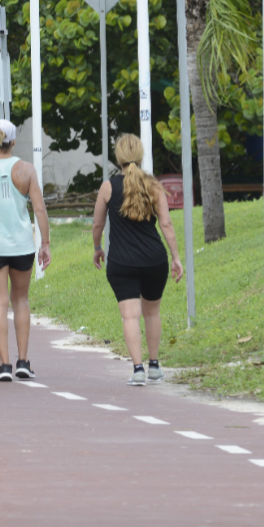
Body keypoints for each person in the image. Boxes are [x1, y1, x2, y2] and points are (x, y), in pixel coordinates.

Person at [91, 134, 183, 385]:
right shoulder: (154, 185)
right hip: (154, 260)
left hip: (122, 263)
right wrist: (176, 257)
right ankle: (155, 366)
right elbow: (166, 223)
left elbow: (98, 223)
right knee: (152, 313)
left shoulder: (108, 187)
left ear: (117, 157)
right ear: (140, 155)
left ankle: (138, 369)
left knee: (130, 316)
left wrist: (97, 247)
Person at [0, 119, 51, 382]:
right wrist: (45, 243)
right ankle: (23, 361)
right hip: (21, 244)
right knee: (21, 300)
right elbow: (39, 209)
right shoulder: (26, 170)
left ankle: (4, 365)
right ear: (13, 142)